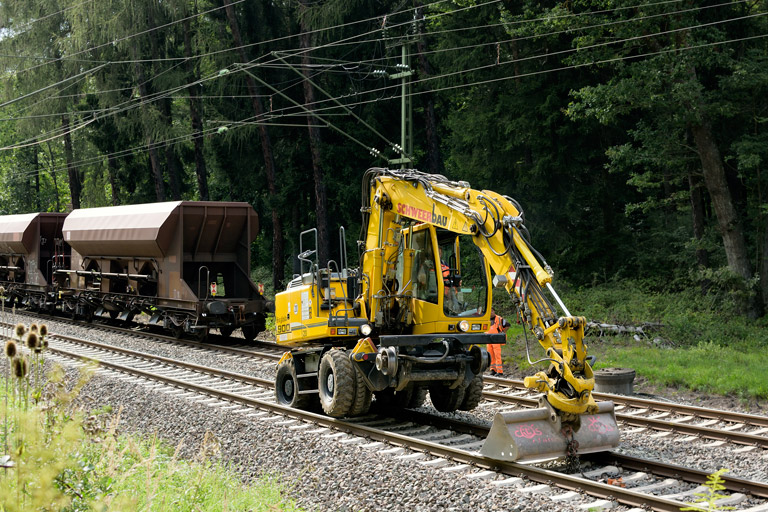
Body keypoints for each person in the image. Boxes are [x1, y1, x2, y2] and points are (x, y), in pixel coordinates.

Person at [486, 307, 510, 375]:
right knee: (490, 355)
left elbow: (507, 325)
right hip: (488, 340)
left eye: (491, 311)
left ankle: (499, 371)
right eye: (489, 311)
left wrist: (502, 332)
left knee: (497, 355)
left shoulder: (499, 319)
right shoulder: (486, 319)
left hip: (496, 340)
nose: (490, 313)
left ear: (494, 311)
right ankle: (493, 370)